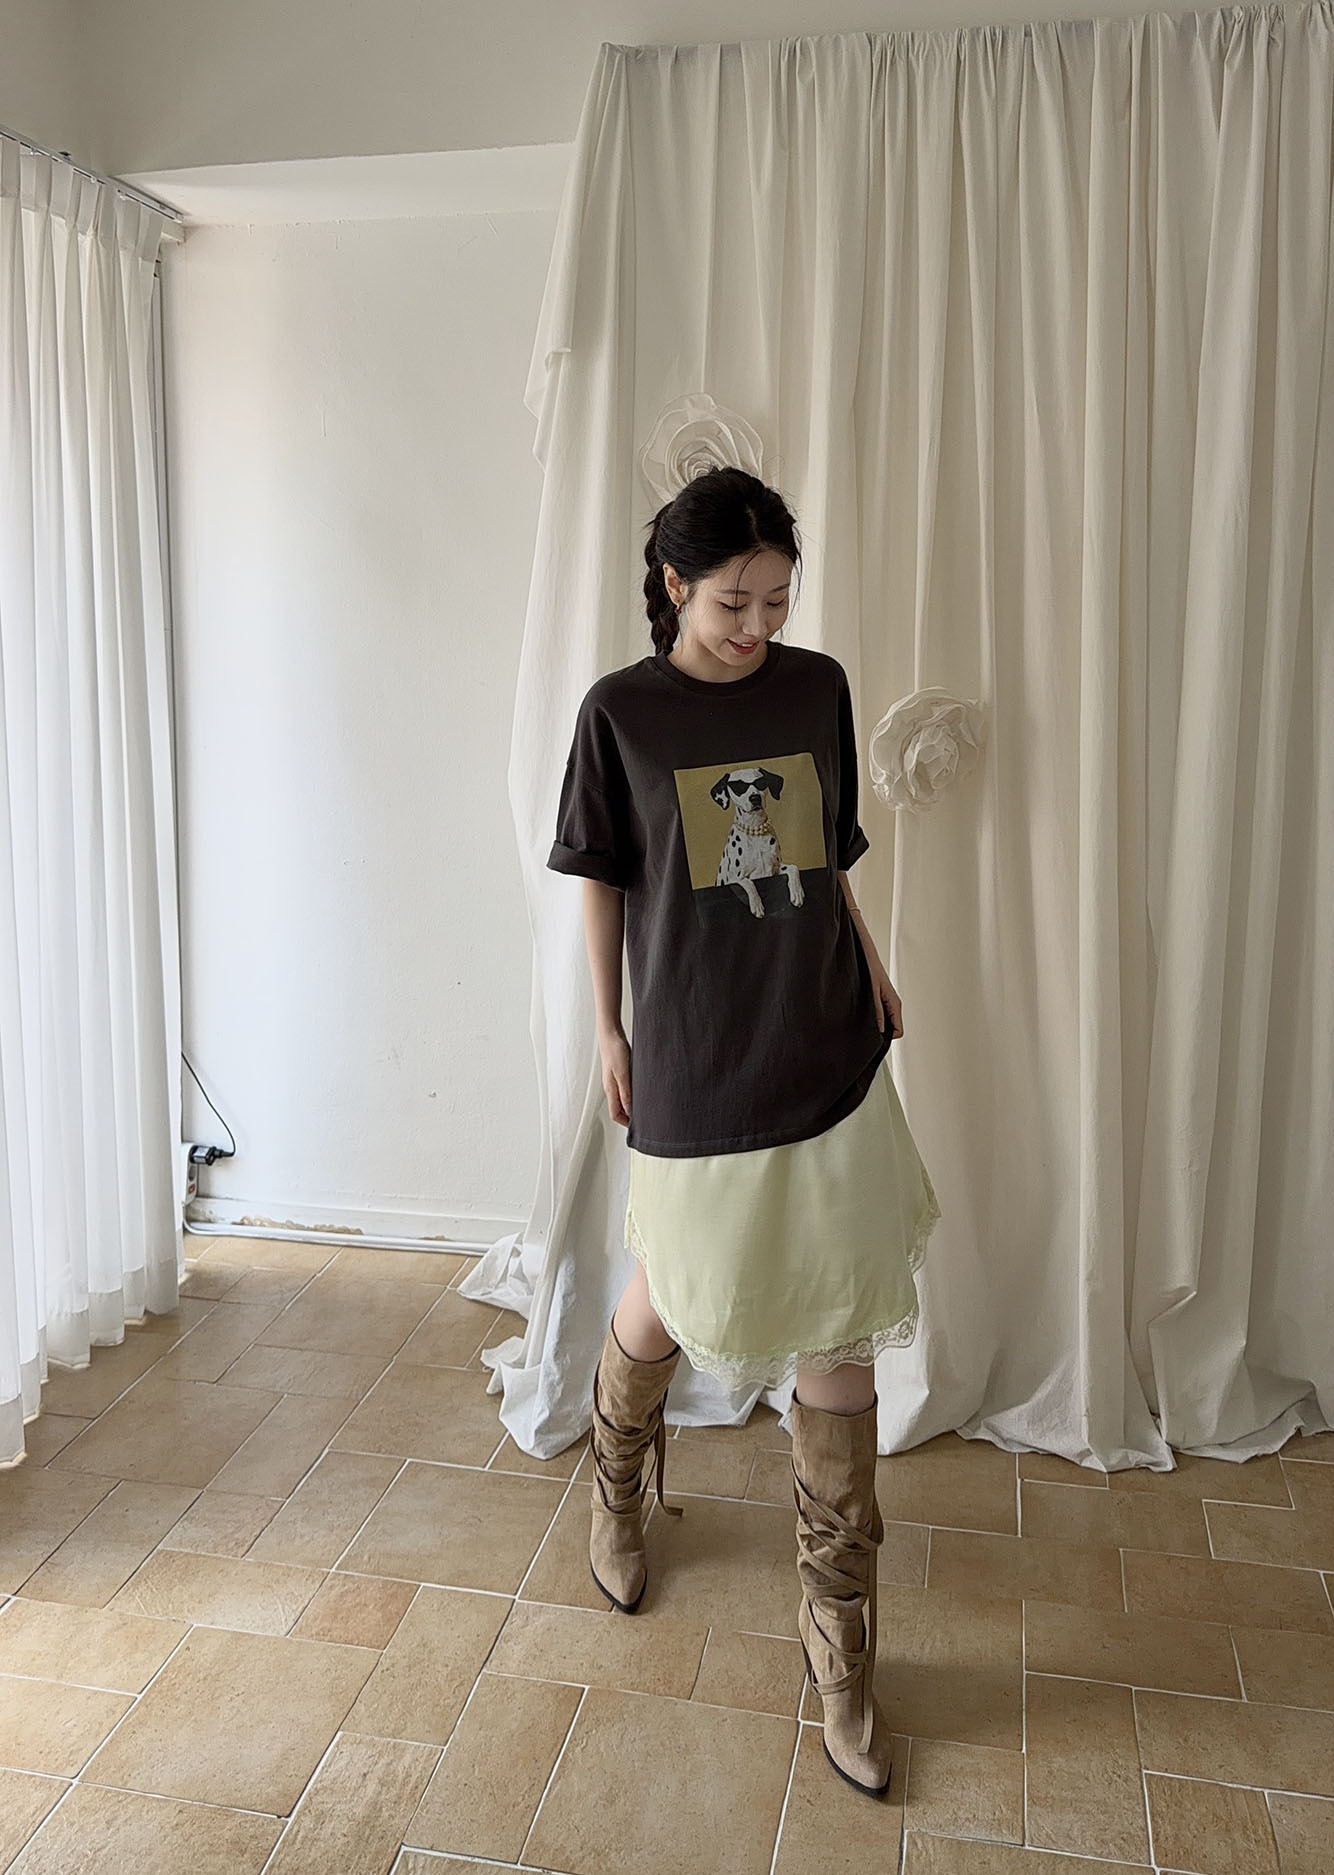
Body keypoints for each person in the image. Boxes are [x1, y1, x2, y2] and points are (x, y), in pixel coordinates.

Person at [545, 464, 941, 1798]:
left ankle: (842, 1649)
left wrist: (870, 959)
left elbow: (825, 856)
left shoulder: (815, 687)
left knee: (838, 1323)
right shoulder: (620, 715)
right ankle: (617, 1479)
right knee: (676, 1290)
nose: (759, 626)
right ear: (674, 585)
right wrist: (609, 1031)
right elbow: (602, 879)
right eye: (733, 601)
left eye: (777, 600)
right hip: (696, 1047)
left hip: (822, 1036)